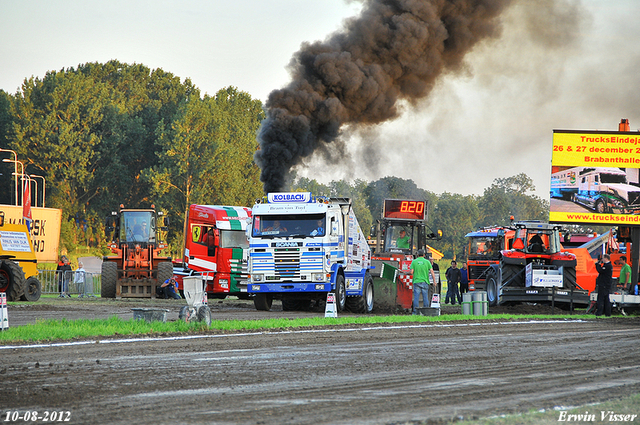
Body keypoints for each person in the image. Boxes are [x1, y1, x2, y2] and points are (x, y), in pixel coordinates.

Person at [408, 249, 437, 315]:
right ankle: (426, 312)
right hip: (425, 282)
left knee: (416, 297)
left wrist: (406, 272)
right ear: (424, 255)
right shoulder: (427, 262)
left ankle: (415, 312)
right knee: (425, 297)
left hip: (416, 281)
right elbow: (432, 272)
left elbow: (411, 272)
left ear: (417, 255)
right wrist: (434, 281)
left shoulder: (414, 262)